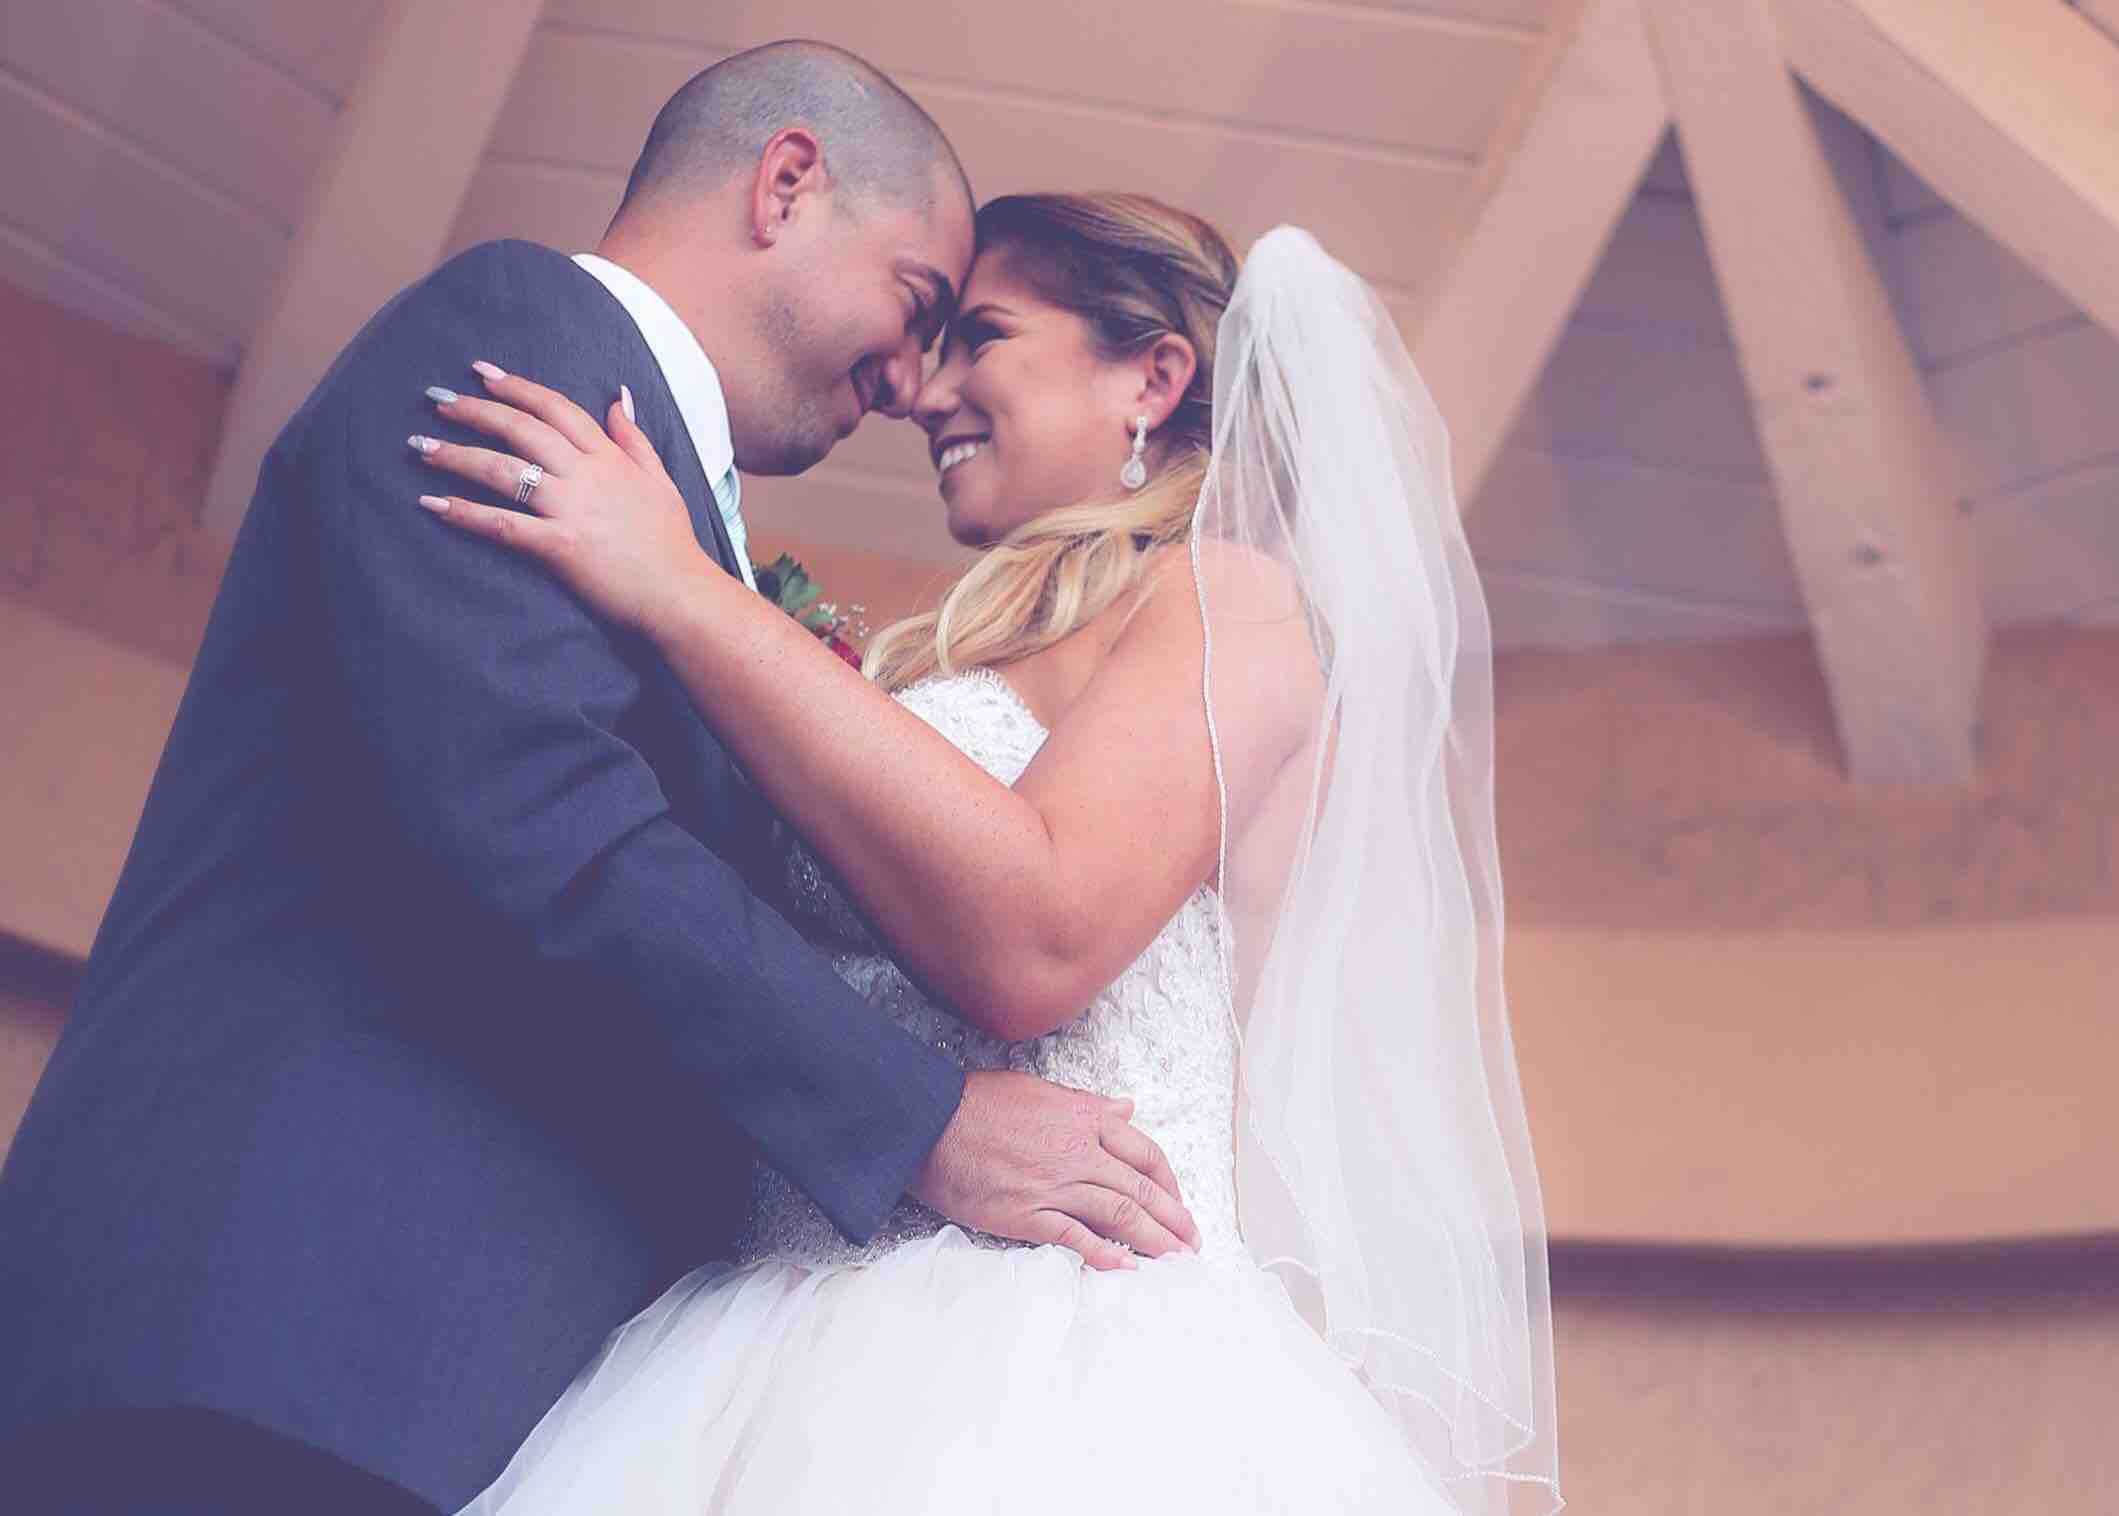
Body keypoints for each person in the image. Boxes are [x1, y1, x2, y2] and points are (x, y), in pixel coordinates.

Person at [0, 43, 1192, 1515]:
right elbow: (537, 807)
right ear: (787, 183)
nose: (910, 382)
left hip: (446, 1391)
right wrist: (923, 1123)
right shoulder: (523, 337)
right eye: (916, 302)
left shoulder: (674, 524)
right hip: (280, 1332)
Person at [407, 192, 1560, 1512]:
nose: (925, 390)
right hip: (775, 1326)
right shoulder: (970, 648)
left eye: (983, 337)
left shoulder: (1227, 599)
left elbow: (1042, 933)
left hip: (1048, 1351)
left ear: (1152, 378)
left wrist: (678, 588)